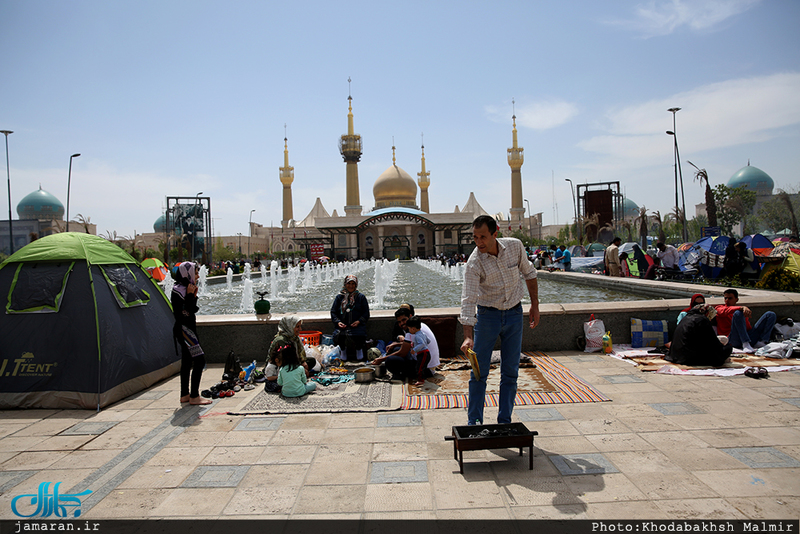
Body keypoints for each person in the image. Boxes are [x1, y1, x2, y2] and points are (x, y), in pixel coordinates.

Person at [460, 215, 540, 426]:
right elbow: (468, 299)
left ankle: (505, 421)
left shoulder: (515, 247)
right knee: (479, 372)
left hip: (514, 314)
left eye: (483, 237)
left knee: (510, 371)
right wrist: (468, 336)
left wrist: (535, 305)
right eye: (475, 238)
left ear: (496, 234)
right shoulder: (474, 263)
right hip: (488, 317)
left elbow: (530, 273)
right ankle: (475, 421)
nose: (479, 242)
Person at [172, 262, 212, 405]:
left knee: (187, 361)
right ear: (186, 274)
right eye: (195, 273)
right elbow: (185, 313)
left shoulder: (183, 288)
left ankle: (185, 395)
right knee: (199, 360)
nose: (197, 275)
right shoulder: (179, 291)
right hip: (185, 331)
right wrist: (190, 296)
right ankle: (194, 396)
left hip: (186, 330)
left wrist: (192, 295)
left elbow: (193, 309)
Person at [667, 305, 733, 367]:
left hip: (676, 356)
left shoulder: (686, 318)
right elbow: (712, 343)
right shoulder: (702, 320)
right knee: (727, 348)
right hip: (690, 358)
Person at [714, 288, 777, 353]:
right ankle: (745, 343)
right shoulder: (719, 308)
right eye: (725, 298)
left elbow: (747, 329)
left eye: (730, 298)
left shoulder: (742, 311)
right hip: (731, 339)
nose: (727, 300)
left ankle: (762, 341)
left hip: (747, 337)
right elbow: (724, 311)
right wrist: (742, 308)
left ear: (736, 299)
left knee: (770, 314)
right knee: (738, 313)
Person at [330, 274, 370, 360]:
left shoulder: (361, 297)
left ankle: (359, 349)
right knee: (339, 335)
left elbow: (366, 312)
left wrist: (359, 321)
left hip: (356, 324)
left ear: (356, 285)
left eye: (353, 284)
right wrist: (338, 322)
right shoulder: (339, 297)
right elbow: (333, 312)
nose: (351, 286)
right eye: (349, 283)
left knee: (359, 334)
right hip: (343, 325)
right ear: (345, 284)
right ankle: (343, 350)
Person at [406, 316, 432, 387]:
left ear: (413, 328)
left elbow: (422, 343)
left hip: (423, 353)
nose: (409, 331)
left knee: (419, 367)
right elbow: (428, 341)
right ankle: (425, 376)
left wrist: (415, 349)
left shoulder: (417, 336)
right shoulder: (423, 333)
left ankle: (421, 380)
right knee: (422, 366)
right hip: (426, 353)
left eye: (409, 329)